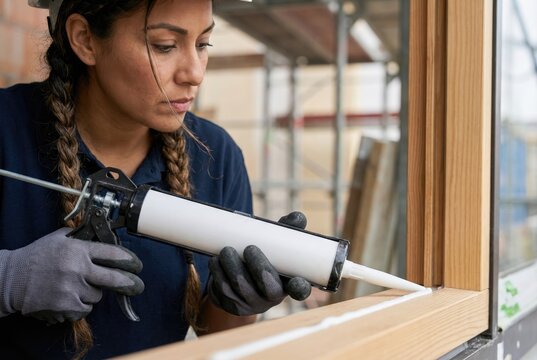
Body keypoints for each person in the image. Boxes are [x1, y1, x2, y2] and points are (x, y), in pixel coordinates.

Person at [0, 0, 312, 358]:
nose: (194, 73)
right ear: (85, 39)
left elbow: (214, 337)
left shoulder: (216, 157)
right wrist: (10, 279)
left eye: (203, 44)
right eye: (165, 45)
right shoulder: (8, 130)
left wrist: (243, 302)